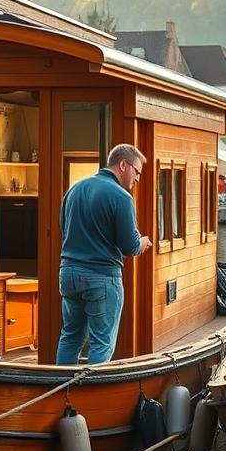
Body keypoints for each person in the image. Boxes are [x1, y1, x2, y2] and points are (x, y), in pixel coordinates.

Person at [56, 143, 152, 364]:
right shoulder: (122, 198)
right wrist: (143, 242)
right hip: (101, 277)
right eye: (136, 172)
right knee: (102, 342)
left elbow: (64, 228)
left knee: (70, 337)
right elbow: (129, 246)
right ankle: (91, 396)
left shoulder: (74, 189)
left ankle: (61, 392)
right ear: (123, 165)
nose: (137, 179)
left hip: (68, 274)